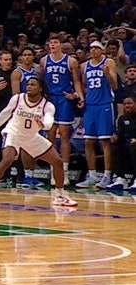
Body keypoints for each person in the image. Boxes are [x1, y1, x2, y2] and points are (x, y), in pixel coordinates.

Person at [0, 76, 78, 207]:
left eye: (33, 85)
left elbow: (49, 121)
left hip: (31, 136)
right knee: (8, 159)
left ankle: (60, 196)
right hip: (13, 133)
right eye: (28, 84)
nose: (29, 87)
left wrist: (43, 125)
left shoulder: (47, 105)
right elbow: (5, 113)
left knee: (57, 161)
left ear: (40, 88)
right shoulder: (17, 99)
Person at [39, 35, 85, 184]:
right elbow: (41, 81)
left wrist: (79, 96)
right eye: (50, 43)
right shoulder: (44, 61)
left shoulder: (70, 61)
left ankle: (64, 171)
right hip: (50, 99)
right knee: (50, 134)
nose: (52, 45)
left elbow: (76, 81)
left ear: (61, 45)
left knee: (64, 135)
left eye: (55, 42)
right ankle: (54, 169)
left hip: (64, 99)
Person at [80, 41, 120, 188]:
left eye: (96, 48)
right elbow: (84, 85)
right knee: (88, 141)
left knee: (105, 141)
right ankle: (92, 176)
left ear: (102, 50)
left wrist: (107, 74)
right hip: (90, 106)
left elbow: (114, 86)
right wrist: (81, 98)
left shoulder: (108, 62)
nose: (93, 51)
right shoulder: (84, 66)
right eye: (91, 48)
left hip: (105, 104)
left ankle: (107, 175)